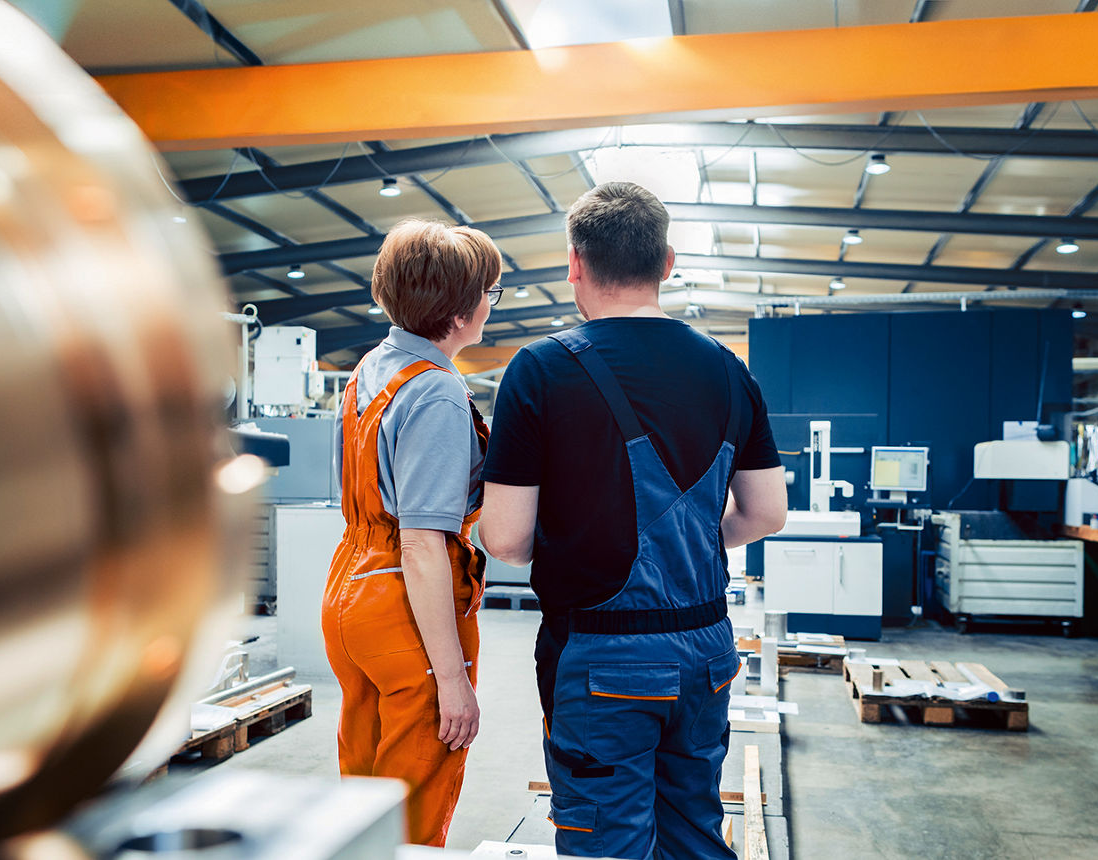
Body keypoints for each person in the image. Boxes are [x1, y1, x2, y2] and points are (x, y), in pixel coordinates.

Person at [478, 182, 787, 859]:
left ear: (575, 264)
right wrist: (699, 536)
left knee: (607, 843)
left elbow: (504, 538)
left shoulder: (539, 370)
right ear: (667, 263)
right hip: (706, 651)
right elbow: (767, 513)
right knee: (693, 834)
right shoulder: (731, 374)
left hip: (601, 661)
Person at [321, 219, 502, 847]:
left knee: (366, 797)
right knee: (412, 805)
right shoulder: (437, 395)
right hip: (405, 602)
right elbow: (424, 543)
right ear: (457, 313)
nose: (490, 304)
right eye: (488, 292)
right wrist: (452, 682)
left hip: (351, 586)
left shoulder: (372, 368)